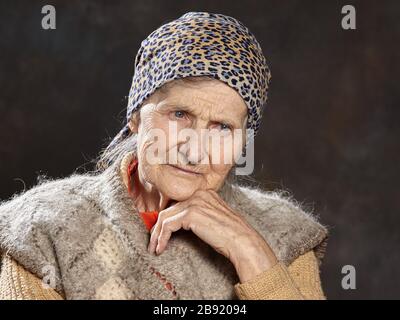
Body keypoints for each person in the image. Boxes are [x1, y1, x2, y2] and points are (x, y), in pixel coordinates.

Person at [0, 12, 328, 300]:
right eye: (180, 114)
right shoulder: (41, 228)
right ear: (136, 117)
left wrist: (254, 257)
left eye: (222, 127)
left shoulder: (283, 234)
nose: (194, 149)